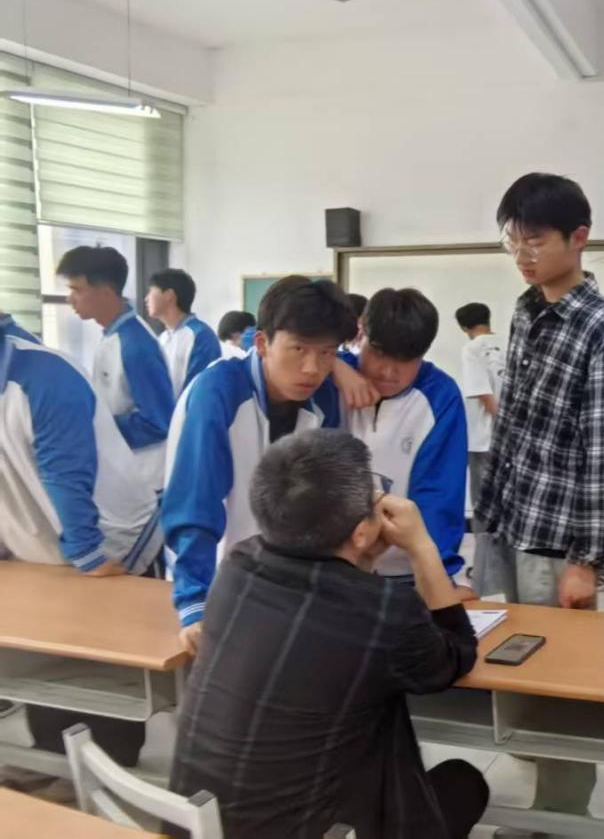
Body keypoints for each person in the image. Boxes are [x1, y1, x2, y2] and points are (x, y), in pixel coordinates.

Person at [168, 429, 487, 839]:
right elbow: (455, 656)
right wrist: (421, 547)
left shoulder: (237, 567)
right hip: (315, 832)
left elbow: (332, 604)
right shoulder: (384, 612)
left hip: (197, 825)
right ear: (360, 532)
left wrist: (359, 559)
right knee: (463, 782)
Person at [475, 173, 604, 833]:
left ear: (579, 238)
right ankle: (539, 769)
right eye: (512, 241)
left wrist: (586, 560)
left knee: (561, 678)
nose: (522, 254)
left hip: (558, 537)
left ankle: (562, 813)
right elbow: (512, 423)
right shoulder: (524, 310)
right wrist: (488, 519)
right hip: (513, 519)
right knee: (516, 664)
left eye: (535, 240)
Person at [161, 276, 357, 655]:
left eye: (326, 353)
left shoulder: (323, 399)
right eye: (298, 349)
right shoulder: (218, 393)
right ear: (263, 343)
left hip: (283, 586)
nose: (312, 368)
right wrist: (194, 603)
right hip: (215, 579)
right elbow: (194, 505)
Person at [0, 317, 162, 767]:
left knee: (109, 677)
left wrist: (91, 557)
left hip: (109, 541)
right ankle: (57, 769)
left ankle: (110, 773)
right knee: (48, 671)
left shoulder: (44, 373)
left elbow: (66, 473)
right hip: (38, 547)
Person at [336, 287, 474, 592]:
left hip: (407, 572)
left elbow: (439, 493)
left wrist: (439, 574)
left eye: (406, 360)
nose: (388, 371)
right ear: (360, 333)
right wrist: (334, 366)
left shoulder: (440, 396)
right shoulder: (329, 377)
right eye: (378, 353)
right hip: (333, 567)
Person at [56, 246, 174, 491]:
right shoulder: (112, 334)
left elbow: (158, 422)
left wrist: (93, 426)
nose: (70, 299)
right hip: (124, 472)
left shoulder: (135, 345)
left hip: (144, 481)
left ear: (106, 293)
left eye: (77, 290)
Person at [454, 301, 506, 591]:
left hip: (484, 439)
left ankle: (485, 567)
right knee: (505, 502)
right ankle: (502, 564)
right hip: (509, 442)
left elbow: (484, 395)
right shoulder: (507, 343)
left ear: (464, 327)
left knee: (483, 504)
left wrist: (501, 426)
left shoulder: (472, 349)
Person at [145, 268, 222, 398]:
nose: (146, 299)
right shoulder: (162, 338)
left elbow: (201, 392)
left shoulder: (200, 336)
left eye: (151, 291)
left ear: (169, 295)